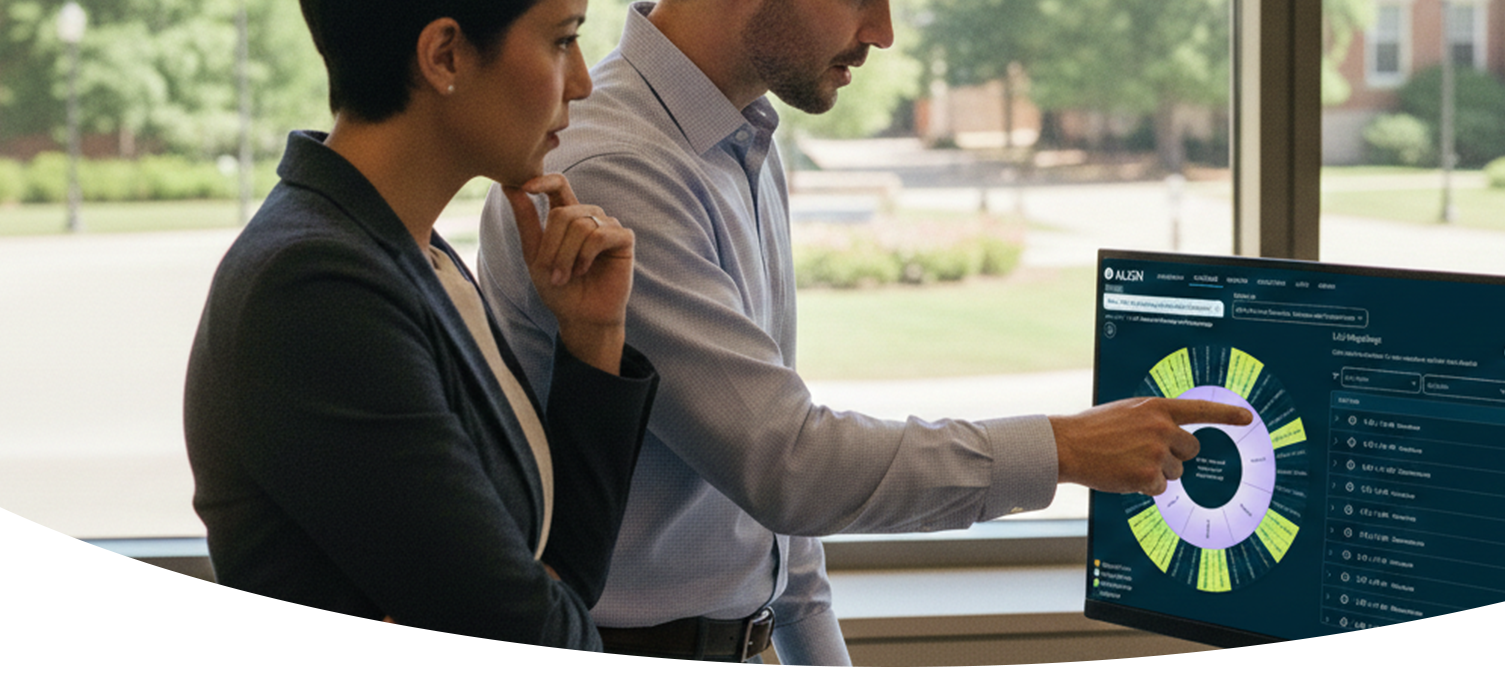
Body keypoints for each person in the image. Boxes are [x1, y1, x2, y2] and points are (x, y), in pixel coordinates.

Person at [475, 0, 1252, 670]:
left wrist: (816, 648)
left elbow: (766, 477)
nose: (882, 32)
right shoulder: (617, 167)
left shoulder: (736, 139)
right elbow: (786, 461)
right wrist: (1066, 448)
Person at [183, 0, 653, 667]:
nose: (582, 81)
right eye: (562, 41)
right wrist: (539, 605)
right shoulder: (318, 288)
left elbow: (558, 578)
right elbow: (523, 636)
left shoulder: (408, 253)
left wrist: (591, 336)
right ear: (445, 56)